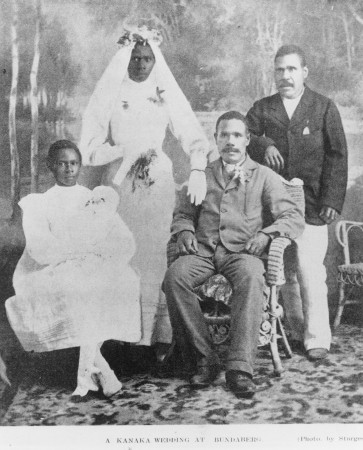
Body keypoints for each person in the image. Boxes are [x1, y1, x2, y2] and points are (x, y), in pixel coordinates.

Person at [79, 26, 210, 352]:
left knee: (155, 254)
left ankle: (159, 338)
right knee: (122, 255)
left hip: (157, 184)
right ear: (126, 57)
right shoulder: (112, 90)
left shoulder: (162, 90)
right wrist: (119, 151)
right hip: (120, 185)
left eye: (147, 59)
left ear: (155, 60)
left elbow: (190, 129)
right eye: (135, 58)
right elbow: (90, 146)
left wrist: (197, 168)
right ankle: (122, 338)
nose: (140, 64)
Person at [163, 111, 304, 398]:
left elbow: (293, 216)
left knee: (253, 277)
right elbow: (183, 213)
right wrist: (185, 231)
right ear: (216, 138)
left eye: (237, 135)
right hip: (203, 249)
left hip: (242, 252)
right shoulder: (201, 174)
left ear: (248, 139)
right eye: (224, 135)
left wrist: (266, 234)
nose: (230, 141)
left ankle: (239, 368)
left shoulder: (263, 175)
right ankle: (205, 359)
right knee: (174, 277)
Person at [5, 140, 141, 399]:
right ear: (51, 166)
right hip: (50, 267)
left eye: (74, 163)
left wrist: (101, 252)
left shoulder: (93, 197)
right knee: (79, 287)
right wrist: (74, 252)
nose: (69, 169)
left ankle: (93, 368)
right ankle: (102, 368)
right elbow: (39, 247)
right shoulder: (39, 203)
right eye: (62, 163)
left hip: (90, 262)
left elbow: (118, 235)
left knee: (120, 280)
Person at [246, 45, 348, 361]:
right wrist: (265, 144)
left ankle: (317, 337)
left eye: (292, 69)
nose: (286, 76)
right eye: (280, 70)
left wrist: (332, 199)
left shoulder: (323, 107)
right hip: (272, 206)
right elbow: (243, 134)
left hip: (314, 202)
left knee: (309, 269)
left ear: (304, 72)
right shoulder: (263, 108)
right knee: (281, 270)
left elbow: (337, 155)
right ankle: (292, 327)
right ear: (274, 73)